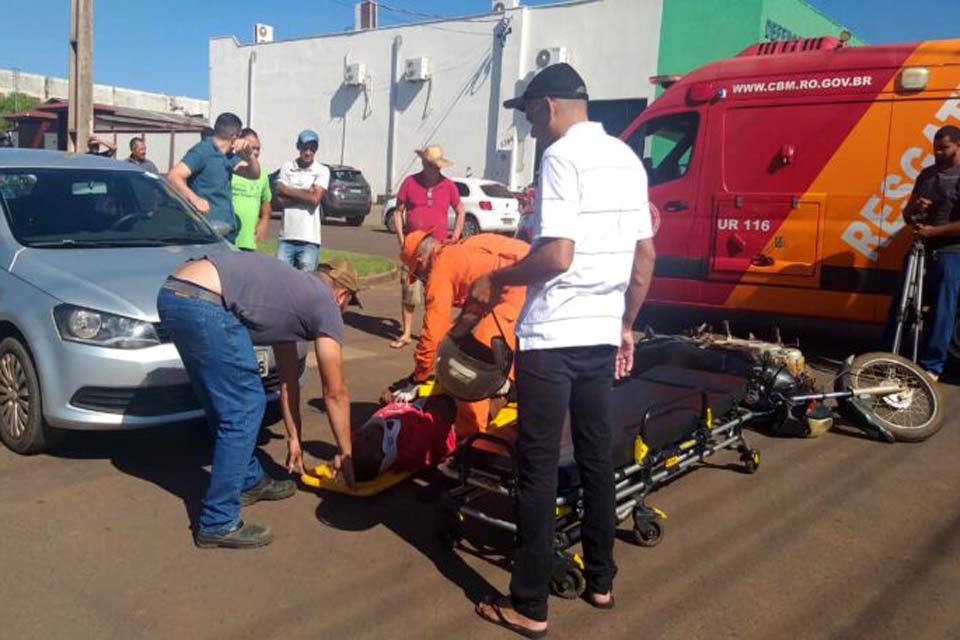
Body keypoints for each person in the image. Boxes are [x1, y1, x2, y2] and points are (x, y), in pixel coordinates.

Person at [469, 63, 656, 636]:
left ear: (546, 106)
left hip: (553, 337)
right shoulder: (627, 159)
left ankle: (529, 605)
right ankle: (601, 580)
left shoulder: (559, 158)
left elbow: (557, 255)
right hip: (600, 333)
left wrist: (499, 279)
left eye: (528, 115)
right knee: (597, 456)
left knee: (538, 467)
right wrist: (626, 324)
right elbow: (645, 257)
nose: (528, 127)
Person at [156, 254, 360, 549]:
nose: (342, 312)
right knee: (245, 406)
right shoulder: (325, 304)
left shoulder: (293, 295)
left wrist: (294, 438)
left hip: (175, 294)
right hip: (203, 302)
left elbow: (288, 381)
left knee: (226, 403)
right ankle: (218, 521)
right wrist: (346, 453)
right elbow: (335, 392)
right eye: (348, 304)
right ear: (342, 295)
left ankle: (249, 480)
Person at [393, 230, 528, 437]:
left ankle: (472, 437)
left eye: (418, 273)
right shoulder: (461, 249)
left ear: (420, 259)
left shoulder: (440, 269)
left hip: (519, 289)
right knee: (506, 362)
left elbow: (433, 333)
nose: (421, 278)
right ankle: (515, 394)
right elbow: (468, 316)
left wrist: (418, 377)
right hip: (536, 277)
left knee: (473, 371)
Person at [898, 125, 960, 381]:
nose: (938, 153)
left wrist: (933, 232)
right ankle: (889, 353)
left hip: (950, 252)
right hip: (920, 248)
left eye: (944, 148)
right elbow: (906, 216)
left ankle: (932, 366)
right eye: (935, 148)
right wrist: (915, 206)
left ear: (958, 146)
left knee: (943, 309)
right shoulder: (927, 175)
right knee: (901, 303)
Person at [390, 145, 467, 349]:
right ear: (424, 163)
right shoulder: (410, 182)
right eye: (432, 165)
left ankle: (432, 332)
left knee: (436, 292)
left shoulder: (448, 186)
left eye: (438, 166)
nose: (436, 169)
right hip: (413, 248)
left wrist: (455, 236)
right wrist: (402, 239)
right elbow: (398, 211)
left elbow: (460, 210)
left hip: (438, 250)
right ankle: (406, 332)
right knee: (409, 289)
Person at [166, 112, 261, 244]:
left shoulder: (229, 156)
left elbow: (254, 174)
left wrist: (250, 155)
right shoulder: (203, 151)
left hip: (227, 229)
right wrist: (194, 199)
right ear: (235, 136)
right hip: (206, 229)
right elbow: (174, 176)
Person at [352, 392, 457, 482]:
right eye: (368, 439)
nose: (365, 433)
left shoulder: (373, 432)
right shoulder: (413, 442)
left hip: (412, 404)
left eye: (360, 434)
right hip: (445, 409)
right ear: (380, 455)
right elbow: (442, 414)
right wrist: (427, 392)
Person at [274, 130, 329, 271]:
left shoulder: (322, 170)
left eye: (312, 149)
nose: (308, 152)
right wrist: (306, 192)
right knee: (281, 277)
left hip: (309, 239)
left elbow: (315, 199)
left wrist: (288, 190)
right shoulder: (287, 167)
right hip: (286, 237)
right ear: (298, 146)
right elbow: (280, 198)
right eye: (305, 148)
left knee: (307, 281)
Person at [231, 128, 272, 251]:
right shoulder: (229, 167)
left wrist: (264, 221)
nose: (255, 152)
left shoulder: (261, 173)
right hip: (228, 238)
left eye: (258, 149)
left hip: (249, 240)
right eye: (252, 148)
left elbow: (266, 200)